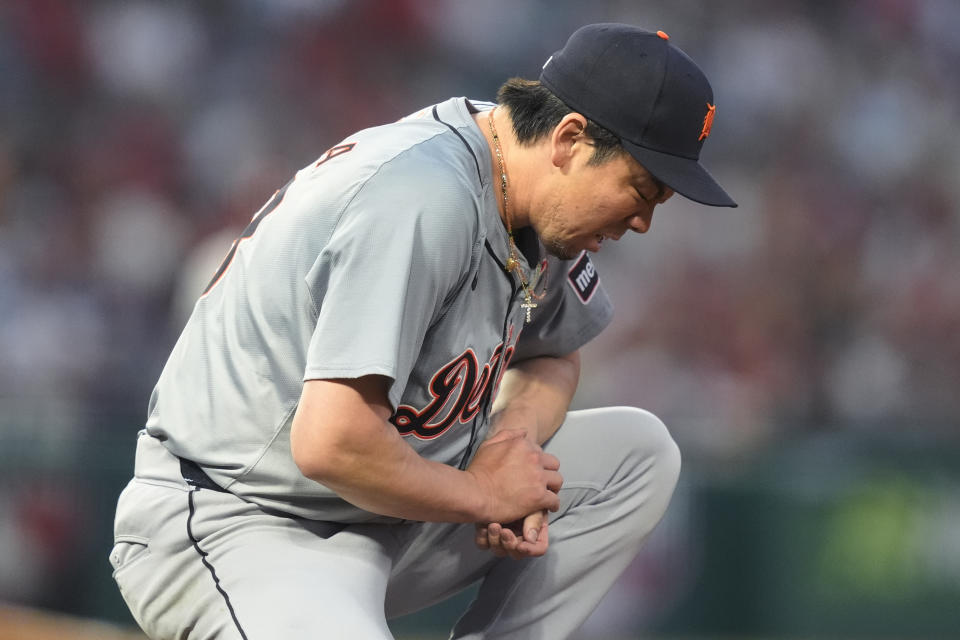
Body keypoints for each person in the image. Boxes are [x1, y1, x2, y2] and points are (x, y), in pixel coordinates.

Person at [109, 23, 736, 639]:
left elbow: (555, 355)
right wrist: (486, 494)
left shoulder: (535, 187)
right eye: (641, 189)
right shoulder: (423, 196)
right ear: (570, 138)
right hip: (243, 519)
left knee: (638, 455)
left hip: (389, 515)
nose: (645, 221)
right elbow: (331, 443)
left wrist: (507, 445)